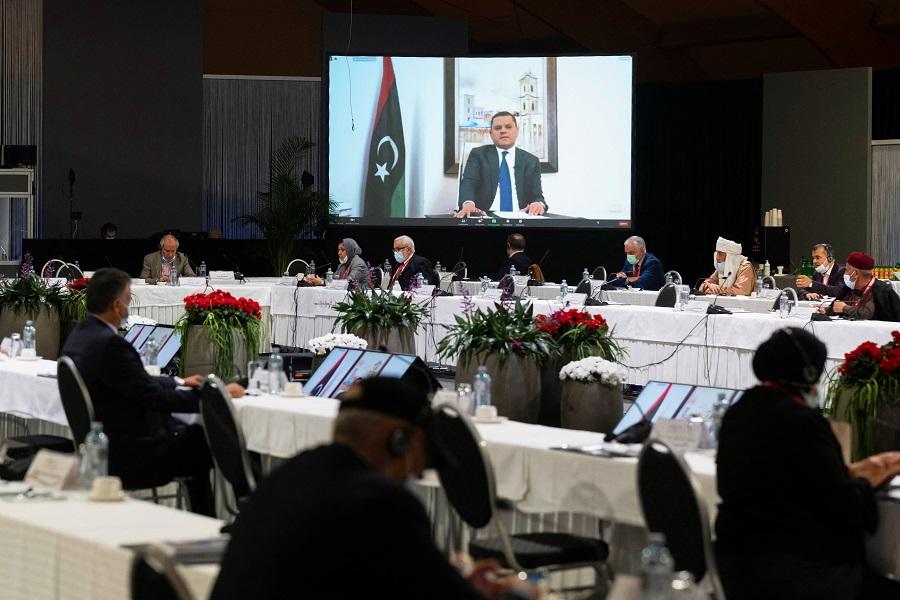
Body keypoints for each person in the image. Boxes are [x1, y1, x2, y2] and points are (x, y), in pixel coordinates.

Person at [212, 377, 535, 600]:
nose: (418, 472)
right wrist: (517, 592)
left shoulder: (289, 476)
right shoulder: (379, 502)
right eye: (421, 454)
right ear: (399, 440)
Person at [715, 327, 900, 600]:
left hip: (733, 564)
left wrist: (859, 471)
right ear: (809, 373)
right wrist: (869, 478)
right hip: (795, 571)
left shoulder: (740, 411)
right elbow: (843, 508)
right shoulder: (803, 423)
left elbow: (798, 479)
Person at [60, 268, 245, 516]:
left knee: (195, 439)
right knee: (207, 440)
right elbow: (156, 398)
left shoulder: (80, 335)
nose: (129, 306)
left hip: (103, 444)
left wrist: (177, 381)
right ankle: (224, 514)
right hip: (133, 453)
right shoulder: (112, 345)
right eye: (128, 299)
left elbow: (133, 381)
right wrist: (214, 396)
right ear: (116, 305)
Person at [456, 112, 546, 218]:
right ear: (491, 133)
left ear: (517, 131)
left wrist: (538, 204)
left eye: (508, 127)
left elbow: (537, 195)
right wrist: (468, 203)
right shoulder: (478, 154)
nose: (503, 131)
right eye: (498, 128)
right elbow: (469, 182)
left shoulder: (531, 160)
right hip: (485, 216)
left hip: (521, 215)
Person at [819, 252, 900, 322]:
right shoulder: (848, 289)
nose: (844, 273)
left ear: (856, 273)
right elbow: (838, 307)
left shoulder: (880, 290)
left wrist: (844, 308)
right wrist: (827, 310)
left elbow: (866, 314)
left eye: (846, 270)